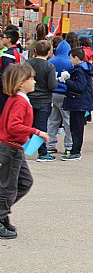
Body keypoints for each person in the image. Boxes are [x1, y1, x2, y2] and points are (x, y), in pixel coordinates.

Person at [0, 64, 49, 239]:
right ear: (21, 83)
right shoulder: (19, 101)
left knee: (24, 182)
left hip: (15, 147)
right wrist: (36, 132)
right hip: (10, 147)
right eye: (31, 79)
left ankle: (3, 212)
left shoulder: (19, 99)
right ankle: (0, 216)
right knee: (8, 186)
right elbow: (13, 126)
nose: (34, 82)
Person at [60, 48, 93, 161]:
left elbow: (79, 87)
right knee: (75, 127)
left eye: (71, 58)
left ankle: (76, 151)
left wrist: (67, 80)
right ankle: (74, 150)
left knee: (76, 128)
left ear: (76, 58)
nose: (70, 60)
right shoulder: (83, 69)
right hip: (80, 102)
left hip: (79, 102)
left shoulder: (80, 70)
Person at [25, 41, 58, 162]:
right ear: (48, 52)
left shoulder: (28, 63)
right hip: (44, 100)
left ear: (35, 51)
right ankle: (43, 152)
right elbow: (52, 85)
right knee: (41, 126)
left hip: (29, 98)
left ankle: (24, 147)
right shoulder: (49, 66)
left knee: (27, 125)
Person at [46, 37, 74, 154]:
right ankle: (69, 145)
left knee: (52, 120)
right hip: (65, 94)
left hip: (53, 93)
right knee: (67, 121)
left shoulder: (51, 61)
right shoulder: (70, 62)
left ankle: (50, 144)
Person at [0, 29, 22, 114]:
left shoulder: (8, 55)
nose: (2, 39)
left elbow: (5, 72)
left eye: (4, 37)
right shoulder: (15, 51)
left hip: (4, 88)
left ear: (9, 39)